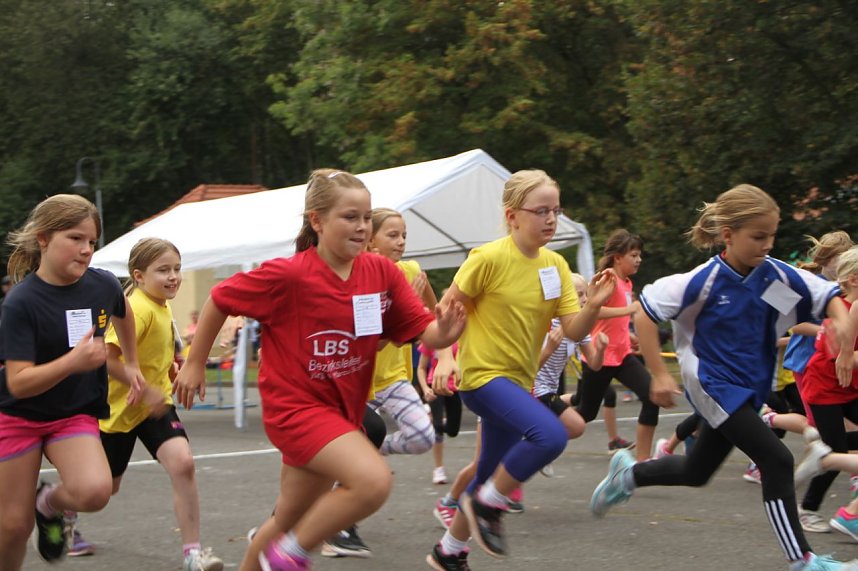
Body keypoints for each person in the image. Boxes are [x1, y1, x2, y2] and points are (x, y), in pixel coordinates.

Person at [173, 169, 465, 571]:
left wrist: (444, 333)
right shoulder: (289, 274)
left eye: (366, 218)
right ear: (317, 220)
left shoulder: (381, 274)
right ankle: (291, 556)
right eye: (350, 217)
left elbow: (423, 331)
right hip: (295, 410)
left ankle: (275, 550)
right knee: (373, 481)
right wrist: (194, 363)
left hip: (341, 410)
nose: (362, 227)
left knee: (284, 520)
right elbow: (220, 298)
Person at [590, 184, 858, 571]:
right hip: (712, 383)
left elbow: (825, 295)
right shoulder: (700, 282)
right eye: (758, 236)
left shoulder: (775, 278)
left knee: (696, 471)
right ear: (728, 235)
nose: (767, 244)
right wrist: (660, 375)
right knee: (777, 459)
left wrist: (843, 324)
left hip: (748, 387)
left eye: (772, 235)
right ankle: (803, 561)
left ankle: (628, 474)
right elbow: (645, 313)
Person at [426, 169, 616, 569]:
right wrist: (445, 357)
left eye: (556, 211)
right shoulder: (488, 258)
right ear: (513, 216)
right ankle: (490, 505)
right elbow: (446, 311)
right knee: (550, 435)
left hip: (518, 381)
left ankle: (449, 551)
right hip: (482, 377)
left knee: (489, 470)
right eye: (541, 211)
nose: (550, 219)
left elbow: (572, 327)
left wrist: (594, 306)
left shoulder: (556, 266)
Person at [0, 194, 145, 568]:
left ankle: (48, 504)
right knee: (12, 527)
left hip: (72, 413)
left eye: (92, 241)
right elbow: (18, 383)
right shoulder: (21, 303)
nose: (86, 250)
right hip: (19, 417)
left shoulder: (102, 285)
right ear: (44, 239)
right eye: (75, 238)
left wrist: (131, 363)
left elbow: (123, 311)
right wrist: (73, 362)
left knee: (96, 492)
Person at [78, 238, 219, 570]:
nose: (173, 277)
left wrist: (173, 368)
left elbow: (151, 351)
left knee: (183, 464)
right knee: (104, 490)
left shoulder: (161, 304)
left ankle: (192, 554)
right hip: (117, 410)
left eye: (177, 269)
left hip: (153, 406)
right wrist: (143, 385)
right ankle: (61, 509)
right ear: (138, 276)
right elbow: (107, 360)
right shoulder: (137, 307)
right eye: (163, 270)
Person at [319, 206, 439, 559]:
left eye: (404, 236)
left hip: (393, 379)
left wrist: (445, 355)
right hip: (357, 381)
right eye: (393, 235)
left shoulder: (412, 271)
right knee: (347, 452)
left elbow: (435, 315)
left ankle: (367, 458)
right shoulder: (362, 280)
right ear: (370, 241)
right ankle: (335, 527)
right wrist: (404, 315)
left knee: (422, 437)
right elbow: (370, 342)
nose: (401, 242)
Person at [783, 231, 855, 532]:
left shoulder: (845, 296)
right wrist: (824, 332)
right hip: (812, 368)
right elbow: (787, 318)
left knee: (831, 443)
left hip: (842, 379)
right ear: (828, 259)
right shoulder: (810, 285)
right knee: (831, 444)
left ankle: (830, 464)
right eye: (840, 255)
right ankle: (809, 506)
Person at [574, 229, 658, 460]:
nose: (639, 259)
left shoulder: (627, 282)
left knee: (652, 397)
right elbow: (592, 311)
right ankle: (541, 435)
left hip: (622, 355)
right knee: (585, 413)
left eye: (639, 254)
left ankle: (642, 462)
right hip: (599, 357)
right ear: (618, 257)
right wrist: (629, 309)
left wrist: (628, 337)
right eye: (633, 254)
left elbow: (616, 321)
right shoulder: (608, 277)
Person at [533, 271, 610, 477]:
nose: (584, 299)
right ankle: (540, 447)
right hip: (532, 387)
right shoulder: (548, 323)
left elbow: (594, 365)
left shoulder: (579, 328)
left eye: (585, 294)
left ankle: (537, 446)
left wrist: (601, 349)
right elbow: (529, 366)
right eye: (578, 295)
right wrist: (548, 348)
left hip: (549, 389)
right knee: (576, 426)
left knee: (575, 412)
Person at [417, 339, 462, 486]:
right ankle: (438, 468)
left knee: (453, 430)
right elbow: (421, 368)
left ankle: (433, 422)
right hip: (434, 385)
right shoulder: (432, 338)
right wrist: (425, 389)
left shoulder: (461, 338)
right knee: (437, 428)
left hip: (455, 388)